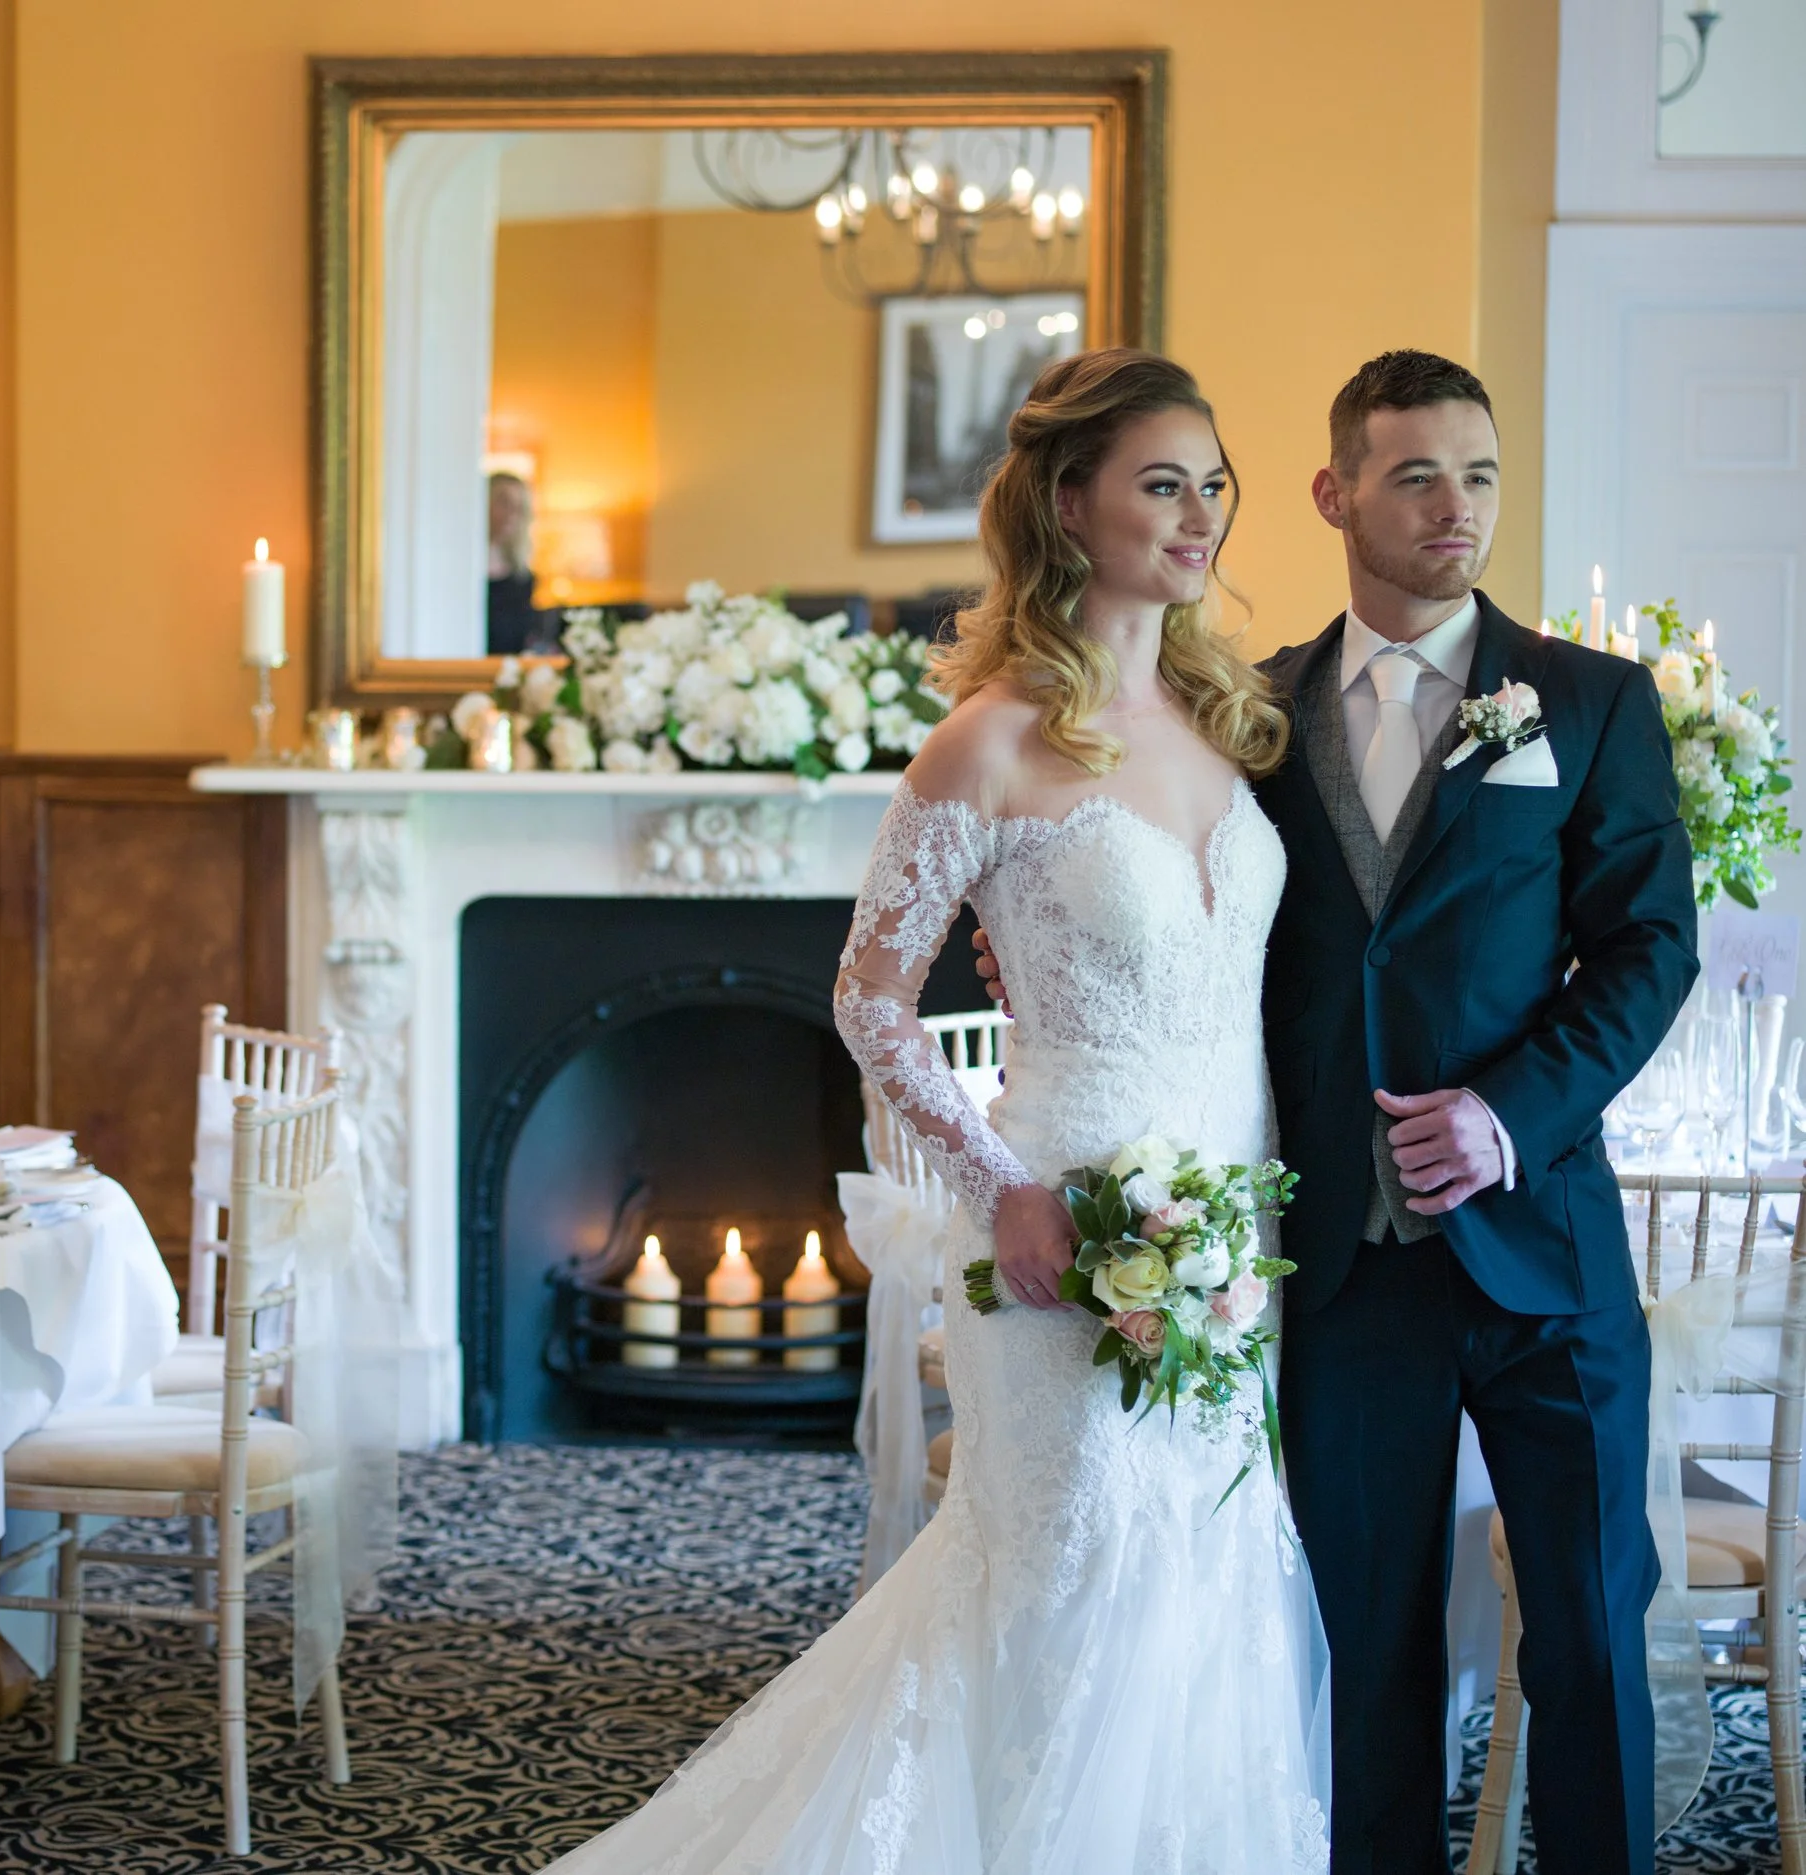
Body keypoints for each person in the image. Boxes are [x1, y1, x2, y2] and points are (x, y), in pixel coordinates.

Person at [538, 349, 1331, 1873]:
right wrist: (1003, 1190)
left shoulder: (1230, 721)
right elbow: (867, 997)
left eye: (1213, 481)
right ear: (1066, 500)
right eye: (1163, 481)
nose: (1202, 513)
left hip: (1237, 1236)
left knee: (1205, 1565)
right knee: (1070, 1572)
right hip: (1060, 1235)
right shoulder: (992, 739)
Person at [978, 351, 1694, 1874]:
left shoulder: (1587, 699)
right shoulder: (1243, 713)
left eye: (1481, 474)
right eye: (1419, 475)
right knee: (1361, 1650)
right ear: (1334, 494)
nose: (1459, 508)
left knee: (1584, 1636)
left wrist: (1510, 1110)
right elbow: (1174, 912)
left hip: (1545, 1258)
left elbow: (1650, 949)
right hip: (1339, 1272)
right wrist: (1027, 925)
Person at [485, 471, 554, 656]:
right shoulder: (462, 571)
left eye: (518, 507)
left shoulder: (523, 579)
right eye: (503, 502)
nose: (511, 514)